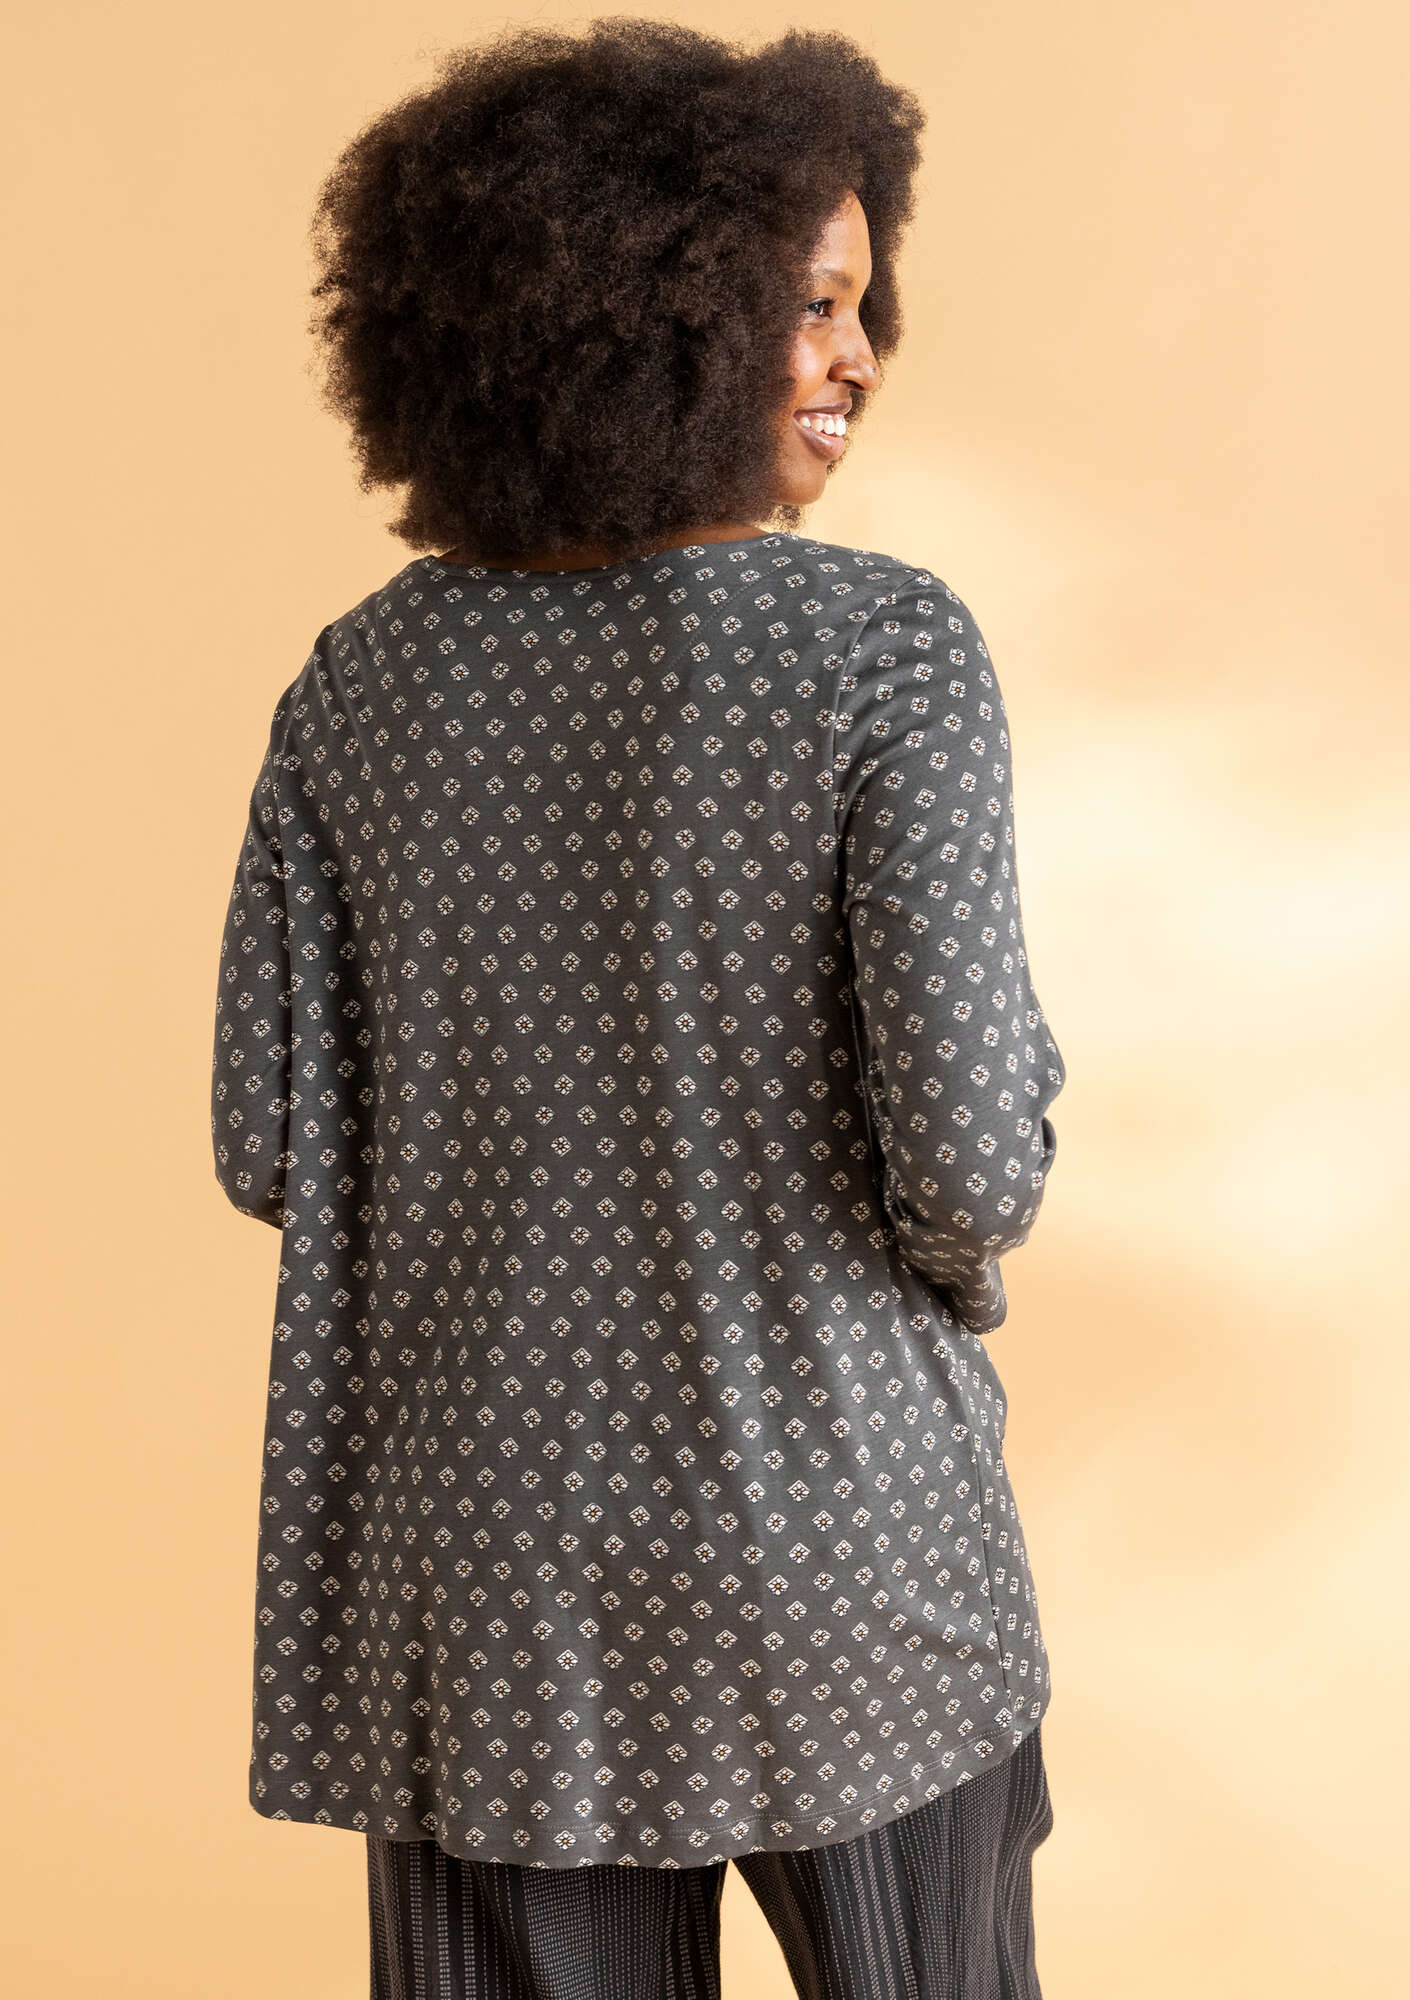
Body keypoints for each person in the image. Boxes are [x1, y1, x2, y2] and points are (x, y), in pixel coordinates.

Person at [210, 20, 1067, 1999]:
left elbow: (268, 1144)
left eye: (865, 305)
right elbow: (965, 1162)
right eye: (815, 304)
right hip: (839, 1538)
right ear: (658, 320)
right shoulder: (879, 649)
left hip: (484, 1580)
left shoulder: (355, 688)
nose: (861, 356)